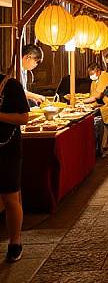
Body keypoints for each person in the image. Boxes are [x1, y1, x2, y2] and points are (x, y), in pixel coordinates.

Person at [0, 72, 30, 262]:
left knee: (10, 198)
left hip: (6, 149)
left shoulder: (10, 85)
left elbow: (23, 118)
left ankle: (15, 242)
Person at [83, 63, 108, 160]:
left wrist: (83, 101)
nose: (91, 75)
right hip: (104, 109)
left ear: (98, 71)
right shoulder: (95, 81)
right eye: (90, 74)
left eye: (93, 73)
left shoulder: (104, 77)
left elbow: (99, 95)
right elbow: (92, 94)